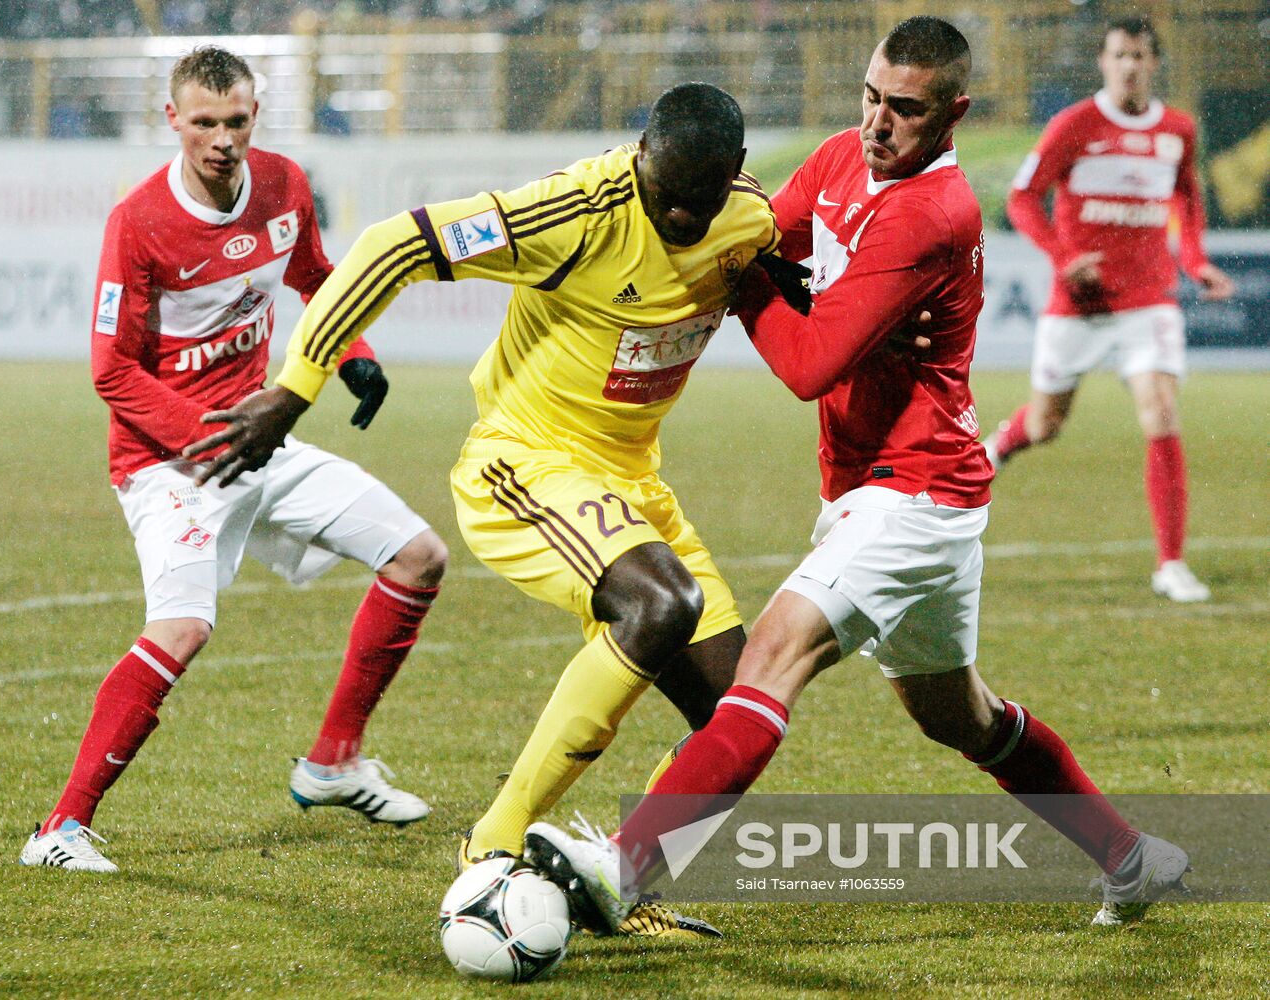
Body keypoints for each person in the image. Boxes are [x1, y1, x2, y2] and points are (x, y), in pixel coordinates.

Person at [524, 16, 1191, 934]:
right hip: (881, 489)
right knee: (960, 718)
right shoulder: (843, 156)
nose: (877, 123)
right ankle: (1130, 857)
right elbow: (767, 235)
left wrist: (756, 272)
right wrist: (730, 237)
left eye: (904, 110)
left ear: (953, 114)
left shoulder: (931, 214)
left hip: (913, 492)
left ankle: (628, 869)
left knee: (773, 654)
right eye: (870, 97)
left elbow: (804, 364)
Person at [183, 83, 784, 936]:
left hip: (632, 483)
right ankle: (492, 847)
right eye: (669, 192)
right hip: (525, 466)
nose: (685, 214)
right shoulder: (575, 211)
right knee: (661, 603)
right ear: (640, 153)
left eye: (706, 195)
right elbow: (394, 246)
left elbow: (809, 275)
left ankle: (623, 885)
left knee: (741, 714)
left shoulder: (750, 219)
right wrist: (296, 386)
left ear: (736, 175)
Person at [19, 46, 448, 874]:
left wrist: (351, 350)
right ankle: (59, 830)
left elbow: (319, 276)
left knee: (419, 556)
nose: (221, 139)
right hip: (166, 463)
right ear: (172, 120)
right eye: (205, 123)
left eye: (237, 121)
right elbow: (110, 371)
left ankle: (332, 763)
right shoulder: (138, 222)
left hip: (258, 441)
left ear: (257, 116)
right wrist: (208, 435)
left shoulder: (284, 185)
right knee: (182, 627)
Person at [984, 16, 1235, 602]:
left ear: (1154, 63)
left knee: (1161, 412)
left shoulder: (1177, 129)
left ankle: (1170, 563)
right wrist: (1062, 256)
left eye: (1140, 55)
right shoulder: (1074, 125)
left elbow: (1188, 203)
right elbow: (1021, 198)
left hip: (1150, 299)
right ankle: (1001, 444)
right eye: (1119, 54)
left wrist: (1195, 261)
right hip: (1080, 303)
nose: (1129, 65)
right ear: (1103, 62)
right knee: (1046, 424)